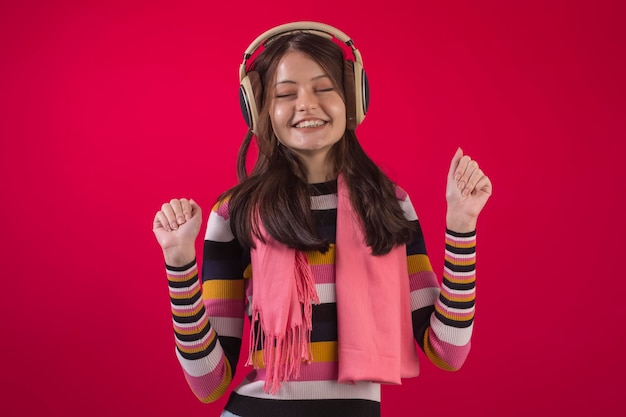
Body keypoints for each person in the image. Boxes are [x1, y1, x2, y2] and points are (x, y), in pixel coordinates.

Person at [153, 21, 492, 417]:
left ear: (353, 97)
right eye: (285, 93)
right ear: (260, 107)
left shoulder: (389, 205)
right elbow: (209, 384)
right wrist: (179, 263)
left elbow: (447, 350)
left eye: (324, 88)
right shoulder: (234, 214)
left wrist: (461, 227)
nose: (306, 104)